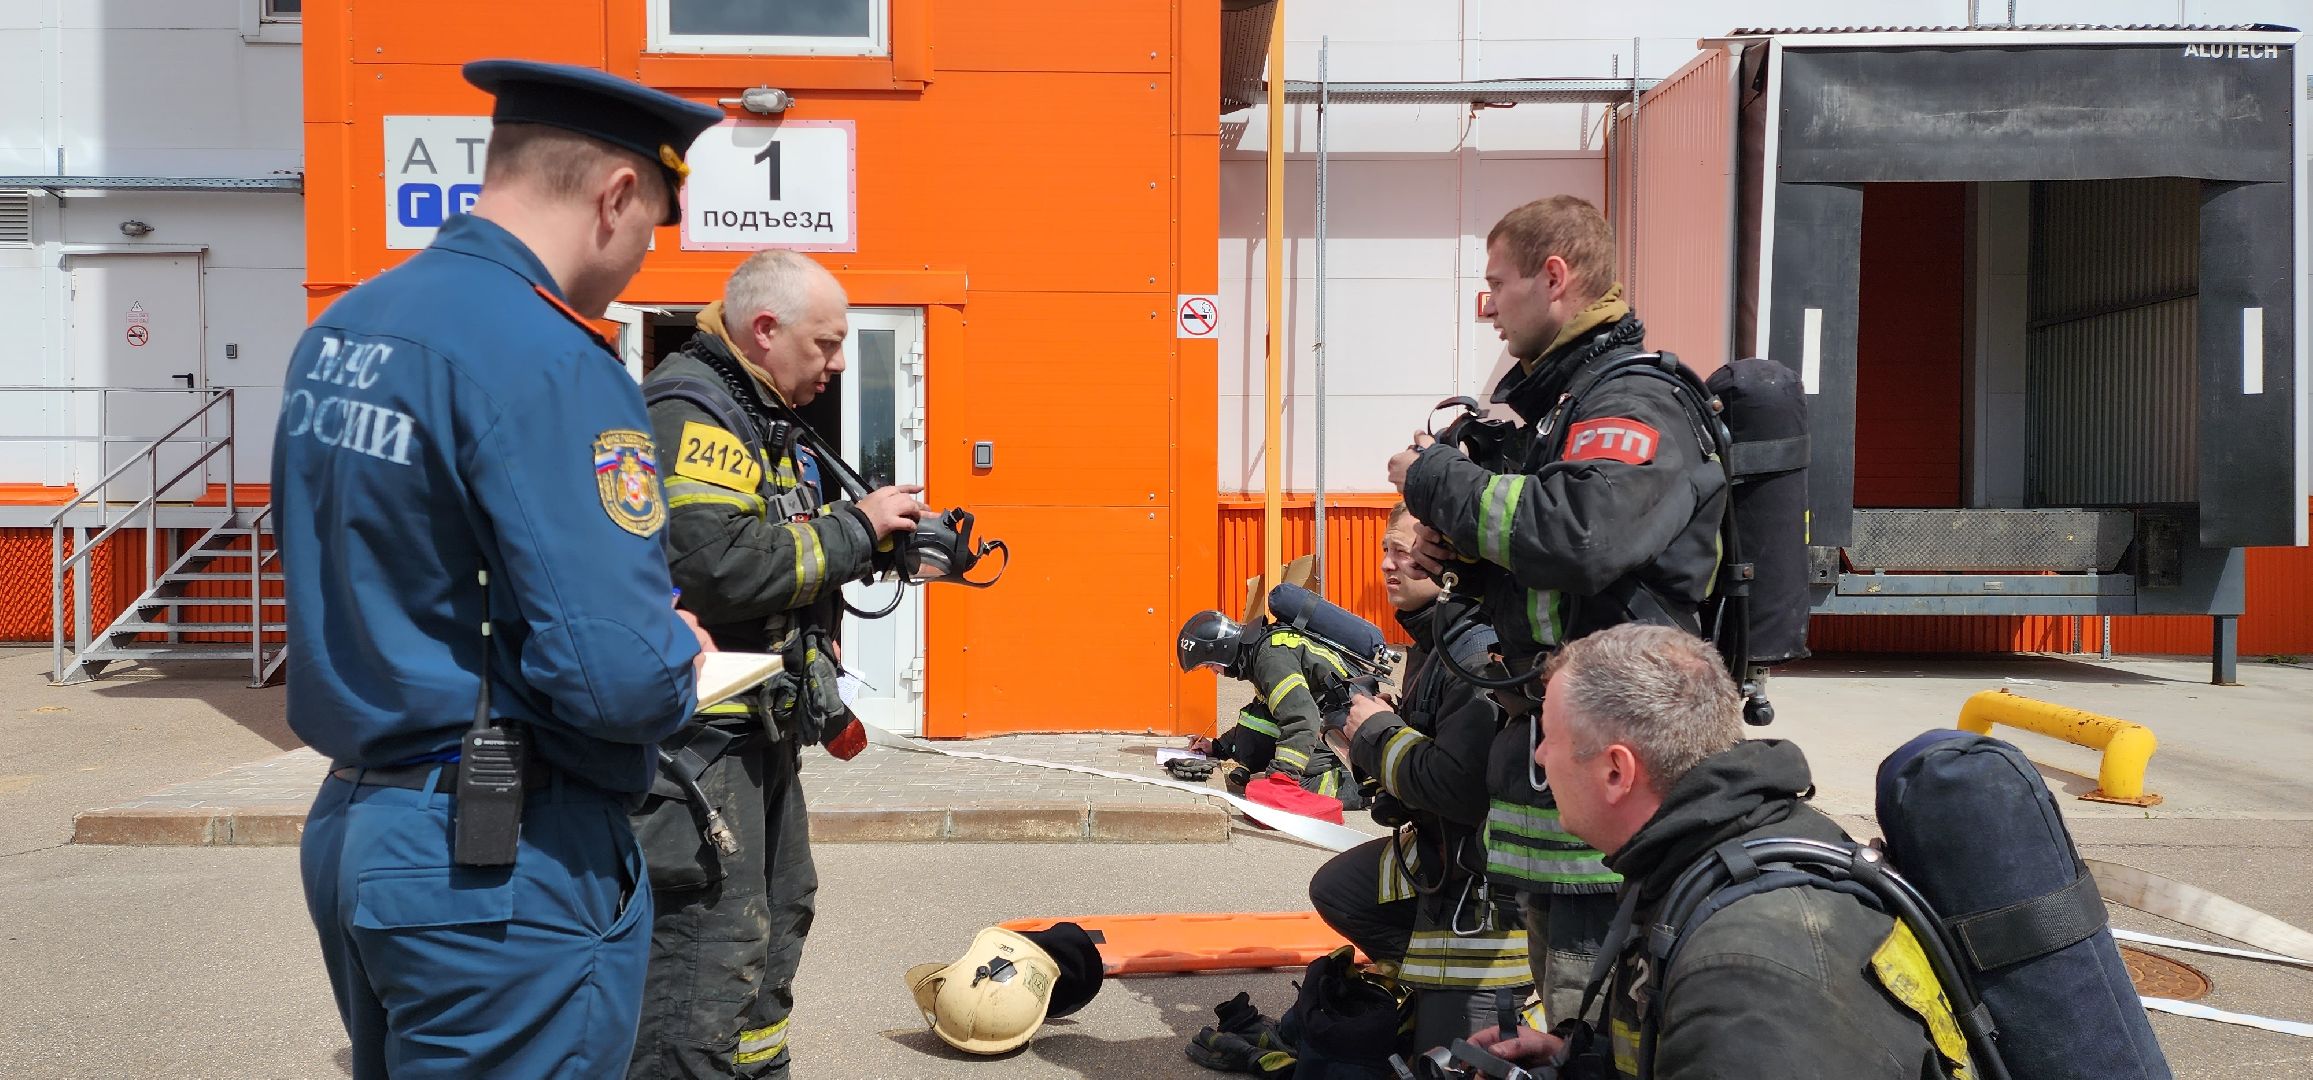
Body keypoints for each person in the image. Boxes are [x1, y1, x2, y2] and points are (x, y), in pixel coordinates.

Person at [278, 60, 721, 1078]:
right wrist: (676, 653)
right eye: (653, 222)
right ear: (616, 195)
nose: (645, 255)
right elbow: (613, 677)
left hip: (362, 823)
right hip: (500, 859)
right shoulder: (553, 360)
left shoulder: (345, 328)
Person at [1384, 195, 1729, 1021]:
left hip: (1624, 760)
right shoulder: (1568, 410)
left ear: (1555, 276)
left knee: (1595, 1010)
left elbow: (1578, 535)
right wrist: (1463, 553)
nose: (1488, 305)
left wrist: (1428, 476)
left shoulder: (1629, 405)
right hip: (1571, 749)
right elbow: (1553, 569)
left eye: (1498, 283)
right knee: (1571, 1002)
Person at [627, 248, 931, 1079]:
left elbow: (774, 543)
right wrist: (856, 531)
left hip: (756, 730)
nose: (836, 362)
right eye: (825, 344)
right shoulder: (691, 409)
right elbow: (714, 563)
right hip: (697, 745)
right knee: (708, 940)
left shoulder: (762, 417)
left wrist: (855, 562)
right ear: (765, 330)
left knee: (776, 912)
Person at [1469, 624, 1961, 1079]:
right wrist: (1571, 1058)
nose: (1539, 756)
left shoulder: (1747, 979)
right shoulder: (1703, 858)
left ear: (1616, 772)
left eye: (1550, 738)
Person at [1311, 505, 1531, 1050]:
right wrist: (1376, 729)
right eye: (1385, 550)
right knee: (1340, 891)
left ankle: (1512, 1001)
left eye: (1405, 552)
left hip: (1485, 880)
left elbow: (1460, 789)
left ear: (1450, 559)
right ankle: (1423, 981)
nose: (1389, 566)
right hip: (1440, 849)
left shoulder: (1477, 651)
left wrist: (1377, 732)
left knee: (1450, 1056)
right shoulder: (1437, 641)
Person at [1178, 612, 1364, 807]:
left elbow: (1302, 718)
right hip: (1331, 724)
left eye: (1210, 665)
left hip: (1346, 738)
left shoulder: (1270, 659)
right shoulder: (1263, 650)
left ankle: (1352, 787)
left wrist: (1281, 778)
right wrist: (1217, 747)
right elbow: (1263, 712)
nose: (1215, 673)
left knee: (1272, 779)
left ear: (1223, 652)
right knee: (1257, 724)